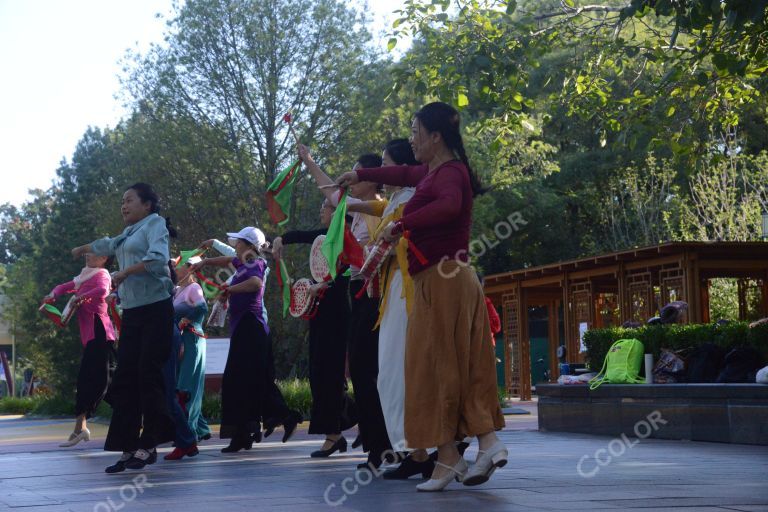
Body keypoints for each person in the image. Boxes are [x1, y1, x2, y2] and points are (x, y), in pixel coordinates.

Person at [336, 102, 507, 491]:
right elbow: (399, 171)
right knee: (436, 369)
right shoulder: (432, 172)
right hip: (437, 279)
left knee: (435, 369)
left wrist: (403, 223)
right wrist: (360, 173)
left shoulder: (450, 173)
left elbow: (449, 207)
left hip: (444, 277)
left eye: (415, 131)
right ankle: (457, 454)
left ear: (435, 136)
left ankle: (474, 447)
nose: (411, 139)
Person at [298, 147, 393, 470]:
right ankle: (377, 445)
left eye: (356, 173)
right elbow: (330, 191)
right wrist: (310, 163)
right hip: (359, 292)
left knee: (370, 373)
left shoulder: (379, 208)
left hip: (374, 293)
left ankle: (384, 445)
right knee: (363, 374)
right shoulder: (356, 211)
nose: (349, 179)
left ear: (373, 178)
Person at [72, 183, 176, 473]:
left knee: (147, 372)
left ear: (147, 205)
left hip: (156, 309)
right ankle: (129, 445)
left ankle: (151, 441)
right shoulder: (128, 233)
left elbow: (157, 259)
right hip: (133, 313)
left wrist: (126, 272)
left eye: (129, 200)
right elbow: (107, 244)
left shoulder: (155, 225)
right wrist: (84, 248)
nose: (123, 205)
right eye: (122, 201)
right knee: (126, 378)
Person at [191, 227, 300, 452]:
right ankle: (249, 431)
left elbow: (255, 284)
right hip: (244, 328)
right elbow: (226, 259)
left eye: (239, 242)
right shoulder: (243, 262)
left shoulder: (255, 263)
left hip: (253, 327)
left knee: (241, 380)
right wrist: (205, 262)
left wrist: (229, 288)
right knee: (243, 381)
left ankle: (256, 428)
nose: (236, 245)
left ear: (249, 245)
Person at [271, 200, 355, 458]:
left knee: (328, 372)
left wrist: (327, 285)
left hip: (338, 312)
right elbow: (300, 235)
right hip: (321, 312)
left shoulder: (348, 238)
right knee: (319, 372)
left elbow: (351, 269)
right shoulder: (323, 237)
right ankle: (352, 418)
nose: (321, 210)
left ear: (338, 213)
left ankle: (335, 434)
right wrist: (279, 240)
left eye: (325, 207)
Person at [46, 253, 116, 448]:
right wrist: (53, 295)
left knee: (91, 381)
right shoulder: (83, 277)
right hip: (92, 337)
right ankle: (135, 417)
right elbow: (63, 287)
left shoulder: (102, 274)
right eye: (88, 252)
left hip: (100, 334)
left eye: (95, 253)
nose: (88, 255)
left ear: (104, 259)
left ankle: (80, 428)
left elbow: (103, 290)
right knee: (110, 386)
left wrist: (81, 297)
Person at [172, 255, 211, 443]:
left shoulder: (194, 288)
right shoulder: (178, 289)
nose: (176, 269)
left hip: (193, 337)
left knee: (188, 386)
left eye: (178, 266)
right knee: (183, 383)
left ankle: (190, 431)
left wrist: (186, 319)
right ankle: (201, 429)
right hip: (181, 340)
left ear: (190, 268)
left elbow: (202, 308)